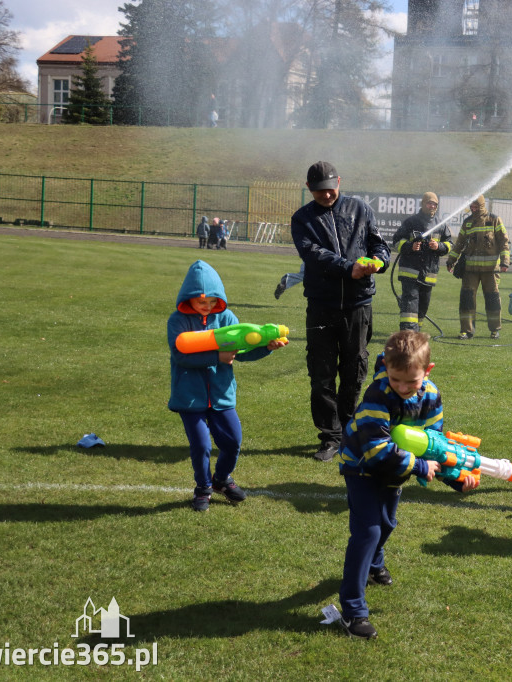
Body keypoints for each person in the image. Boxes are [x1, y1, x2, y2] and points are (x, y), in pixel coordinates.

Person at [336, 330, 477, 639]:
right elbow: (377, 451)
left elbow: (433, 446)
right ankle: (352, 611)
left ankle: (374, 564)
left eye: (410, 381)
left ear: (427, 371)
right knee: (368, 531)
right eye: (395, 379)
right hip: (361, 468)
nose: (401, 387)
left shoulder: (431, 396)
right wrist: (419, 466)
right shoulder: (377, 396)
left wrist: (456, 479)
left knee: (387, 524)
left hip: (396, 471)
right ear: (386, 366)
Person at [167, 260, 288, 511]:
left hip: (221, 394)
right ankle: (203, 488)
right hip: (190, 397)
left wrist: (266, 348)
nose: (208, 306)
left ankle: (221, 479)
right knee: (201, 446)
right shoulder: (178, 320)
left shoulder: (226, 317)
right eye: (202, 301)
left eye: (213, 301)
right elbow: (180, 356)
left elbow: (241, 352)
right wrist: (216, 357)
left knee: (233, 441)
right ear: (189, 297)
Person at [290, 161, 390, 462]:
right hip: (322, 305)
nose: (326, 195)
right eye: (319, 191)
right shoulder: (302, 219)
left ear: (339, 183)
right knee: (321, 374)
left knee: (354, 370)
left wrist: (378, 261)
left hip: (359, 305)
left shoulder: (361, 209)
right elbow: (313, 255)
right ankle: (330, 436)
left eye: (330, 189)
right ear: (309, 188)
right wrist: (349, 268)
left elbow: (378, 244)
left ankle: (349, 430)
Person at [446, 196, 511, 339]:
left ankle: (494, 329)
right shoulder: (467, 222)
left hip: (491, 270)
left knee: (493, 300)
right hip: (470, 270)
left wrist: (505, 262)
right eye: (471, 206)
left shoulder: (494, 220)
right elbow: (459, 244)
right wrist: (451, 260)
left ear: (481, 205)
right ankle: (466, 330)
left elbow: (504, 242)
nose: (472, 208)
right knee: (467, 299)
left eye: (475, 206)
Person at [391, 192, 452, 331]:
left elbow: (450, 244)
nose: (432, 206)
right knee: (410, 305)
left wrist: (439, 246)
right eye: (429, 203)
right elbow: (396, 241)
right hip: (410, 272)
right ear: (423, 204)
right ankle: (408, 333)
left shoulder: (440, 225)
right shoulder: (411, 222)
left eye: (434, 204)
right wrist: (410, 246)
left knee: (423, 306)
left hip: (429, 274)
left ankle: (416, 333)